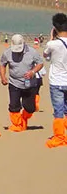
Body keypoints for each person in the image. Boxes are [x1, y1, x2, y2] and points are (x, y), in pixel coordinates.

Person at [0, 34, 43, 132]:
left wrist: (33, 72)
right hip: (14, 83)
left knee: (30, 108)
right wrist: (3, 77)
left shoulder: (32, 52)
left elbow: (40, 63)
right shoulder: (7, 53)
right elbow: (2, 64)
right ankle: (17, 125)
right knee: (14, 106)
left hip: (30, 84)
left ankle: (23, 118)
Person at [43, 13, 67, 148]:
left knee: (58, 111)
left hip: (57, 81)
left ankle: (59, 136)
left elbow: (45, 56)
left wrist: (52, 38)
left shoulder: (52, 44)